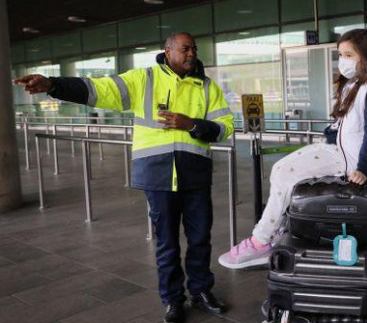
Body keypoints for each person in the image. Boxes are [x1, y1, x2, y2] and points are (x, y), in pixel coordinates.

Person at [14, 33, 234, 323]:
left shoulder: (207, 87)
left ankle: (202, 292)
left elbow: (225, 127)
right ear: (168, 52)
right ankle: (172, 300)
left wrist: (192, 124)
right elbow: (98, 89)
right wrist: (53, 85)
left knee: (200, 238)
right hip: (157, 175)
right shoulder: (144, 79)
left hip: (195, 175)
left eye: (193, 48)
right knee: (166, 242)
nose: (191, 53)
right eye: (185, 48)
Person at [217, 28, 367, 269]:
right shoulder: (354, 85)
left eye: (349, 54)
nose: (343, 60)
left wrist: (363, 168)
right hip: (335, 150)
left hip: (347, 159)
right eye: (341, 54)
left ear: (366, 55)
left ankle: (260, 241)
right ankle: (273, 233)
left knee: (287, 175)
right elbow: (346, 124)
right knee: (279, 169)